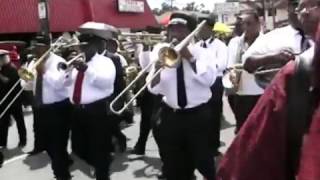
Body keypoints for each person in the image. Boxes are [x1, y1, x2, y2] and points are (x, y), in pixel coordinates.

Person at [216, 0, 320, 179]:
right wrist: (274, 57)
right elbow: (247, 63)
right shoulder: (274, 37)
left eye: (312, 5)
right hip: (267, 103)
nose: (302, 12)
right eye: (297, 6)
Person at [147, 13, 217, 180]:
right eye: (172, 28)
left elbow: (209, 80)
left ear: (190, 32)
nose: (175, 32)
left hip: (198, 115)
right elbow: (153, 88)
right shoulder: (160, 51)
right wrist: (156, 69)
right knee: (173, 163)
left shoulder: (202, 53)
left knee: (203, 160)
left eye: (180, 28)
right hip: (171, 115)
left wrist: (190, 57)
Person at [68, 22, 116, 180]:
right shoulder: (76, 63)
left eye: (86, 45)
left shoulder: (105, 63)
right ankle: (101, 162)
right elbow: (68, 85)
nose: (82, 48)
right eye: (81, 45)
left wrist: (86, 70)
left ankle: (102, 170)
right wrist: (67, 72)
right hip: (77, 111)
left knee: (98, 149)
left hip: (97, 111)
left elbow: (106, 83)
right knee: (77, 148)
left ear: (95, 46)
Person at [21, 36, 73, 180]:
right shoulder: (33, 61)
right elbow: (27, 86)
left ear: (48, 47)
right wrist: (28, 80)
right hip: (41, 108)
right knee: (48, 145)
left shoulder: (59, 62)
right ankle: (63, 163)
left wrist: (44, 72)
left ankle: (62, 174)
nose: (36, 50)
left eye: (39, 47)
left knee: (57, 145)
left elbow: (59, 84)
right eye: (35, 47)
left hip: (58, 109)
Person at [226, 12, 264, 133]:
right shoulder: (234, 42)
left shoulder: (268, 41)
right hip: (241, 95)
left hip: (261, 94)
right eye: (243, 24)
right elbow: (230, 66)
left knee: (261, 131)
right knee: (243, 131)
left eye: (249, 24)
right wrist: (232, 80)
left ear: (259, 24)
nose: (246, 28)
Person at [197, 14, 228, 156]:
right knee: (200, 115)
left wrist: (202, 67)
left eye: (201, 27)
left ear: (209, 29)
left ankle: (213, 145)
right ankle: (201, 143)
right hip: (199, 83)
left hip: (215, 83)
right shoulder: (196, 46)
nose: (198, 30)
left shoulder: (220, 46)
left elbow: (221, 65)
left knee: (214, 115)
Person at [0, 49, 26, 148]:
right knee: (3, 123)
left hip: (14, 101)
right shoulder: (2, 68)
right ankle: (2, 142)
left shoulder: (12, 68)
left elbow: (6, 81)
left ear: (4, 58)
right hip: (4, 100)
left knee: (20, 121)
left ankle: (23, 140)